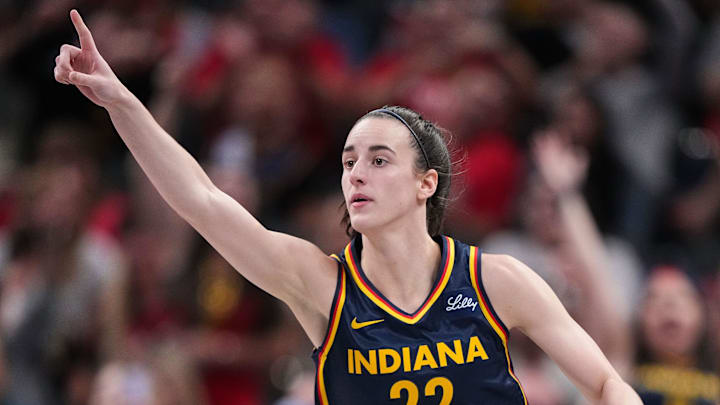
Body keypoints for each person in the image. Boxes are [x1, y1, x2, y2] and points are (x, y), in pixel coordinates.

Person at [53, 9, 641, 404]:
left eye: (379, 159)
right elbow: (203, 202)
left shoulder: (496, 281)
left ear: (425, 184)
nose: (356, 173)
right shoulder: (323, 285)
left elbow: (605, 381)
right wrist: (120, 101)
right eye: (347, 160)